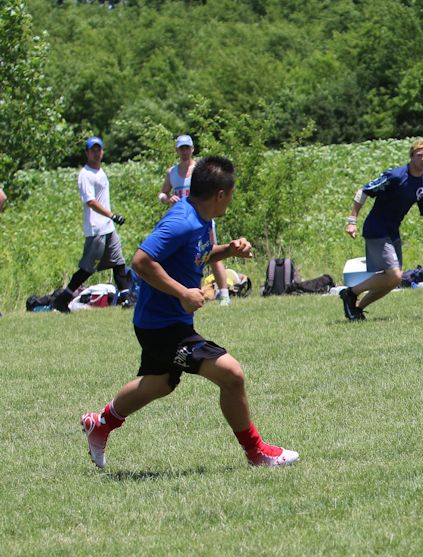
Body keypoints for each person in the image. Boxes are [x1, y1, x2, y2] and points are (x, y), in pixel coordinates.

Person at [80, 156, 298, 469]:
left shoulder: (200, 217)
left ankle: (100, 424)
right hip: (163, 326)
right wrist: (183, 292)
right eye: (231, 194)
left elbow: (197, 255)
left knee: (159, 383)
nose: (231, 200)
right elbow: (141, 261)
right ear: (220, 195)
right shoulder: (182, 221)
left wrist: (229, 250)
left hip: (163, 322)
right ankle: (257, 452)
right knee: (232, 375)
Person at [341, 139, 423, 320]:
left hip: (393, 231)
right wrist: (352, 221)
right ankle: (350, 293)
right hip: (376, 228)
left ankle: (358, 308)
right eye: (420, 155)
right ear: (411, 157)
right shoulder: (395, 176)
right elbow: (364, 191)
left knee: (393, 280)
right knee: (394, 275)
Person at [54, 136, 134, 312]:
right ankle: (62, 299)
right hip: (96, 229)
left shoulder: (100, 171)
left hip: (108, 228)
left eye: (99, 149)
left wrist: (110, 219)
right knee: (88, 269)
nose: (96, 153)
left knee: (118, 263)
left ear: (103, 151)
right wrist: (112, 215)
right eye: (93, 150)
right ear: (87, 153)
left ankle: (126, 299)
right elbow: (90, 201)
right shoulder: (86, 174)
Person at [159, 134, 232, 304]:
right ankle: (190, 292)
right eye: (181, 148)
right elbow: (162, 193)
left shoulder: (200, 170)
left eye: (187, 148)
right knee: (186, 257)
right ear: (177, 150)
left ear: (192, 149)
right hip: (183, 220)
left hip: (203, 217)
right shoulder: (172, 172)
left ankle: (224, 293)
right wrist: (167, 199)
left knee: (211, 252)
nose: (184, 152)